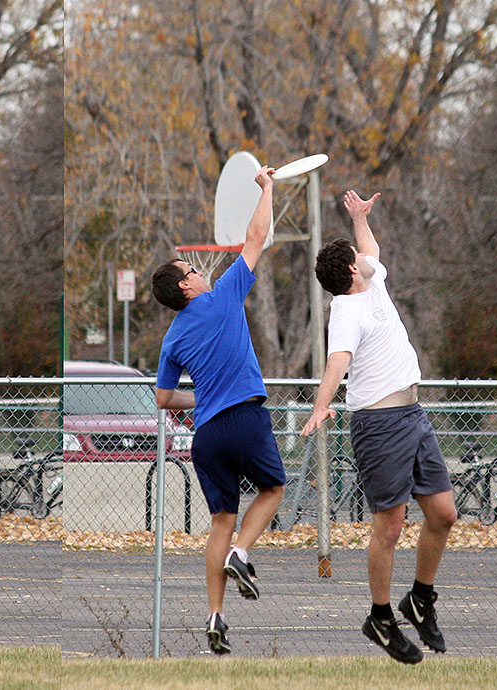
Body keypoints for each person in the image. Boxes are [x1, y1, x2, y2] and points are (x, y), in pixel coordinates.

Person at [301, 190, 457, 664]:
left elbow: (372, 251)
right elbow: (337, 363)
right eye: (355, 256)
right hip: (379, 424)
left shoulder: (372, 279)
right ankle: (381, 616)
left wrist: (359, 219)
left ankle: (420, 598)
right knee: (390, 526)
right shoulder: (346, 313)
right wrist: (319, 406)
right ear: (351, 271)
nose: (363, 256)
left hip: (412, 414)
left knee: (444, 514)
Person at [152, 166, 286, 655]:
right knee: (273, 488)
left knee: (220, 520)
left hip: (207, 436)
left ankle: (215, 617)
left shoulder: (173, 338)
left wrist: (202, 399)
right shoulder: (226, 294)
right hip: (246, 420)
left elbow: (164, 400)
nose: (198, 269)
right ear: (186, 288)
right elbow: (256, 236)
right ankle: (241, 554)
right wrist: (267, 189)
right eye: (190, 270)